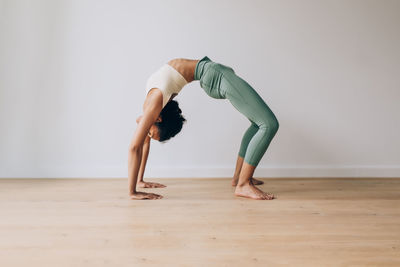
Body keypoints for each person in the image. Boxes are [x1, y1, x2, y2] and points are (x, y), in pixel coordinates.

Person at [128, 56, 279, 200]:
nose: (146, 132)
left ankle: (241, 179)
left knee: (262, 124)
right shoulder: (152, 105)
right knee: (267, 124)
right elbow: (141, 144)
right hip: (214, 74)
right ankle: (242, 183)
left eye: (149, 131)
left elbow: (137, 146)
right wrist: (137, 183)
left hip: (214, 75)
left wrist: (134, 189)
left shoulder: (153, 103)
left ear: (158, 119)